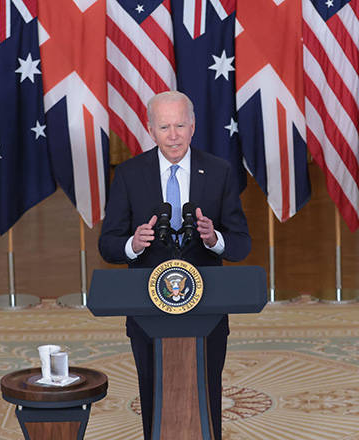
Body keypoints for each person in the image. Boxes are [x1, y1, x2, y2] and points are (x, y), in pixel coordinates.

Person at [98, 91, 251, 439]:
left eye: (180, 125)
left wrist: (215, 240)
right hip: (147, 311)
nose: (173, 135)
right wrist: (132, 245)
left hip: (208, 311)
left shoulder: (219, 171)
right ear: (150, 130)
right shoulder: (129, 174)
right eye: (164, 126)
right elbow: (107, 245)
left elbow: (241, 244)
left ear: (193, 126)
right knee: (154, 396)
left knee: (206, 393)